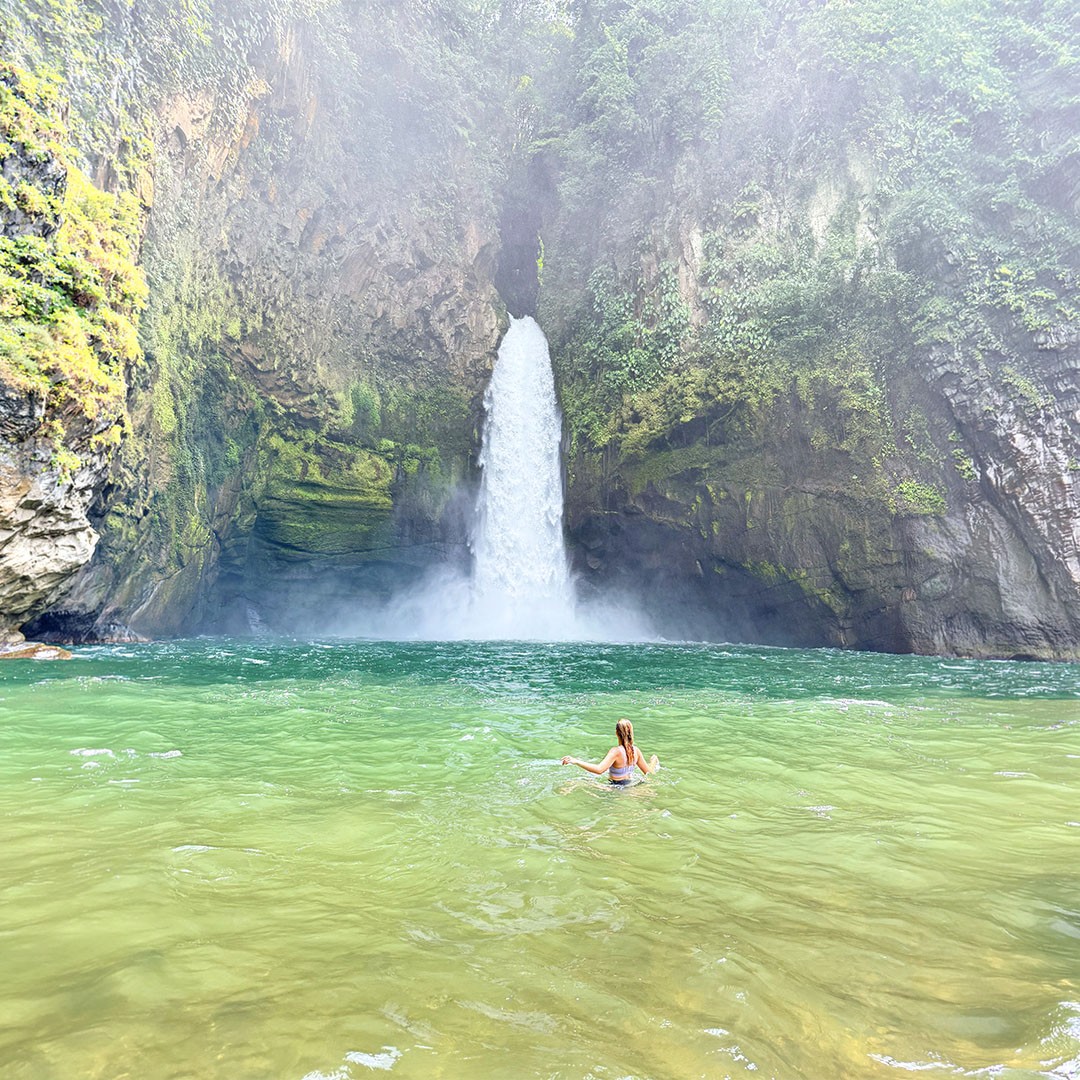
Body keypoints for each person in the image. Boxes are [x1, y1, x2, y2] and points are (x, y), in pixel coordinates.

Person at [561, 718, 659, 785]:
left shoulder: (615, 752)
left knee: (578, 782)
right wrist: (653, 762)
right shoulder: (635, 751)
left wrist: (576, 761)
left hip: (615, 788)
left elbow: (599, 770)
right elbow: (648, 772)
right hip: (630, 785)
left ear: (616, 733)